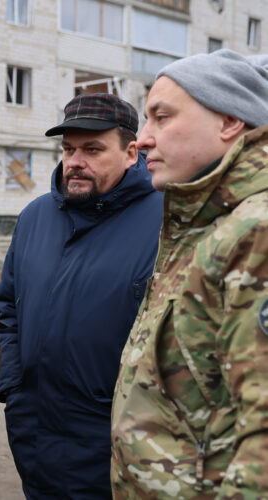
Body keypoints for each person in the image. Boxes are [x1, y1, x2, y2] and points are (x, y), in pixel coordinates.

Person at [111, 50, 268, 498]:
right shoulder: (199, 224)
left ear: (229, 122)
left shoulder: (255, 231)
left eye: (162, 117)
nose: (142, 139)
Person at [0, 93, 163, 499]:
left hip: (117, 446)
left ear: (130, 152)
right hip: (34, 439)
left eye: (93, 149)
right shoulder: (35, 217)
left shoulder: (165, 220)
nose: (75, 161)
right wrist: (14, 386)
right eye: (68, 148)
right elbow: (6, 309)